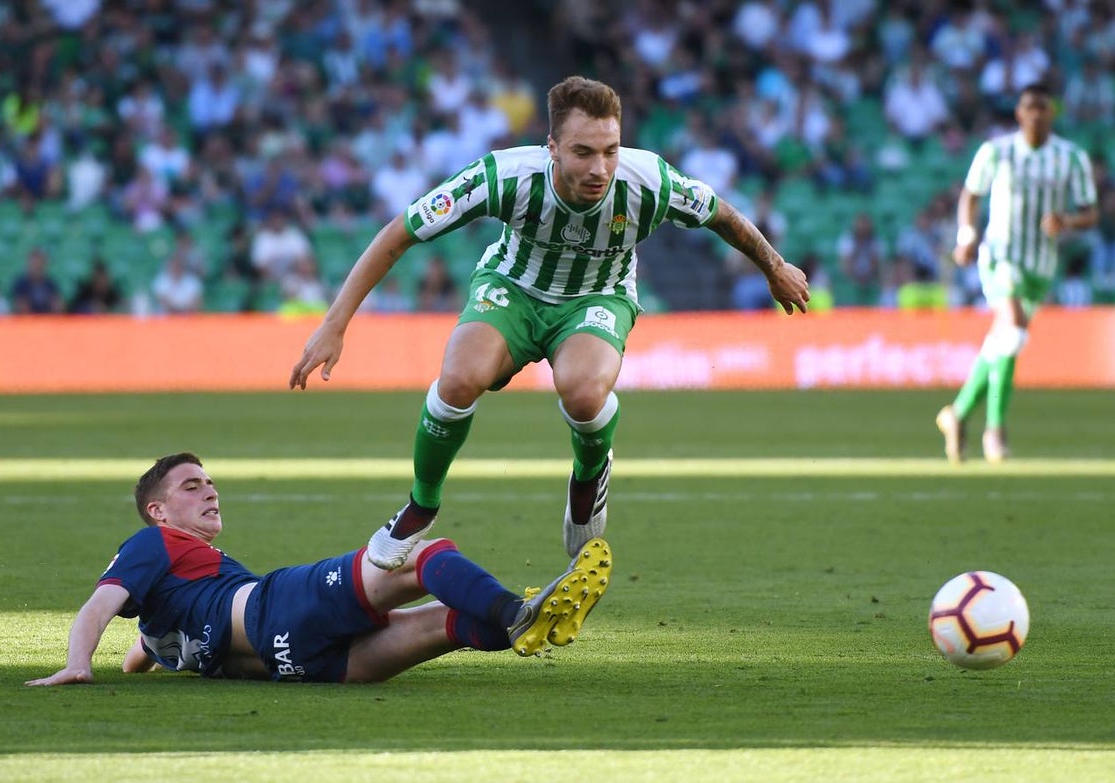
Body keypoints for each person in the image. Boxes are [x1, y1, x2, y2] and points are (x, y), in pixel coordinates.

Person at [290, 76, 809, 570]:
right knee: (458, 381)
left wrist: (775, 266)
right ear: (552, 147)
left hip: (598, 295)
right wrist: (336, 323)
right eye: (583, 152)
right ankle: (421, 507)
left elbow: (724, 217)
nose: (599, 168)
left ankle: (588, 480)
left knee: (583, 394)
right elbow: (399, 232)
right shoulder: (503, 176)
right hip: (512, 289)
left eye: (610, 150)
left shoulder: (649, 181)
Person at [27, 453, 612, 686]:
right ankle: (518, 612)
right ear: (158, 511)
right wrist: (77, 663)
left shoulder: (170, 601)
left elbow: (143, 650)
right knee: (414, 555)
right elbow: (99, 604)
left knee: (444, 623)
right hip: (276, 607)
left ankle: (516, 623)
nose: (209, 490)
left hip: (297, 665)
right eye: (191, 485)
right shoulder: (154, 543)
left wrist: (137, 663)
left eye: (210, 481)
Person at [936, 83, 1098, 464]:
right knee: (1014, 324)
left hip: (1041, 265)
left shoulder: (1070, 158)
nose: (1037, 114)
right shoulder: (997, 151)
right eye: (1030, 107)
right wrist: (967, 235)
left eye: (1043, 107)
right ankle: (995, 430)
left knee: (1005, 341)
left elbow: (1091, 212)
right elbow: (971, 194)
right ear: (1019, 114)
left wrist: (1068, 221)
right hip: (1000, 257)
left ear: (1052, 113)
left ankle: (957, 415)